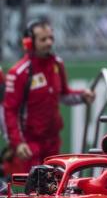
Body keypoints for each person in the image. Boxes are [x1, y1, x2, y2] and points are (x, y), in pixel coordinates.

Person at [3, 19, 95, 173]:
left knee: (55, 189)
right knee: (35, 193)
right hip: (31, 144)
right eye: (43, 39)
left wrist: (82, 96)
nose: (49, 43)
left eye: (51, 38)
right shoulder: (19, 73)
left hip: (53, 142)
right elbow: (9, 112)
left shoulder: (57, 64)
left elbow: (64, 94)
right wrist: (18, 143)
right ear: (29, 42)